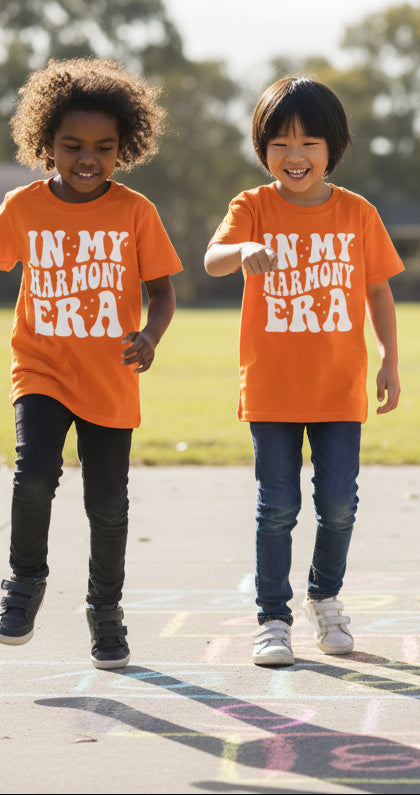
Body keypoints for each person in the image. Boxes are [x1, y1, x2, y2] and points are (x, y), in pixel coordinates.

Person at [205, 77, 403, 667]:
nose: (295, 157)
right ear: (263, 149)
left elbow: (378, 290)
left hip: (339, 389)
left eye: (309, 143)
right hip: (271, 388)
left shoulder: (356, 212)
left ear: (333, 147)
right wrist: (241, 251)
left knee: (339, 503)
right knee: (278, 506)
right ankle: (272, 617)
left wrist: (391, 357)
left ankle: (325, 596)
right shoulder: (252, 208)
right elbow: (213, 260)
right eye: (281, 144)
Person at [0, 58, 182, 669]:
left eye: (104, 147)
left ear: (123, 147)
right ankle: (23, 586)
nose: (88, 158)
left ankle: (105, 613)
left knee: (108, 505)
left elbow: (162, 293)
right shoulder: (22, 208)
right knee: (33, 475)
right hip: (41, 369)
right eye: (72, 145)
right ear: (44, 144)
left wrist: (151, 337)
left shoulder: (135, 211)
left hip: (110, 378)